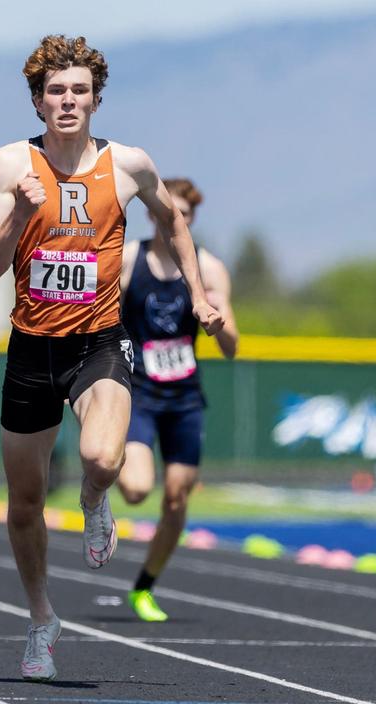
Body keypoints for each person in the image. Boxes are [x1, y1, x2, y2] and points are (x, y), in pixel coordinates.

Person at [0, 35, 222, 681]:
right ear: (37, 101)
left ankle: (93, 500)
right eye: (55, 91)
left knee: (103, 458)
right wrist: (19, 215)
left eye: (79, 91)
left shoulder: (128, 164)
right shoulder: (9, 164)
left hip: (99, 340)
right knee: (24, 502)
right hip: (31, 347)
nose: (67, 101)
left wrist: (199, 295)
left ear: (95, 99)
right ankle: (41, 619)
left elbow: (174, 221)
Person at [116, 178, 238, 622]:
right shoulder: (129, 259)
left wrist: (218, 321)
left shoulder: (210, 269)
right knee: (135, 489)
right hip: (138, 391)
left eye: (183, 215)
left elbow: (232, 346)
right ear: (152, 213)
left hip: (184, 398)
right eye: (169, 212)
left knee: (175, 499)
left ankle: (144, 586)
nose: (175, 221)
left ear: (192, 219)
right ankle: (101, 461)